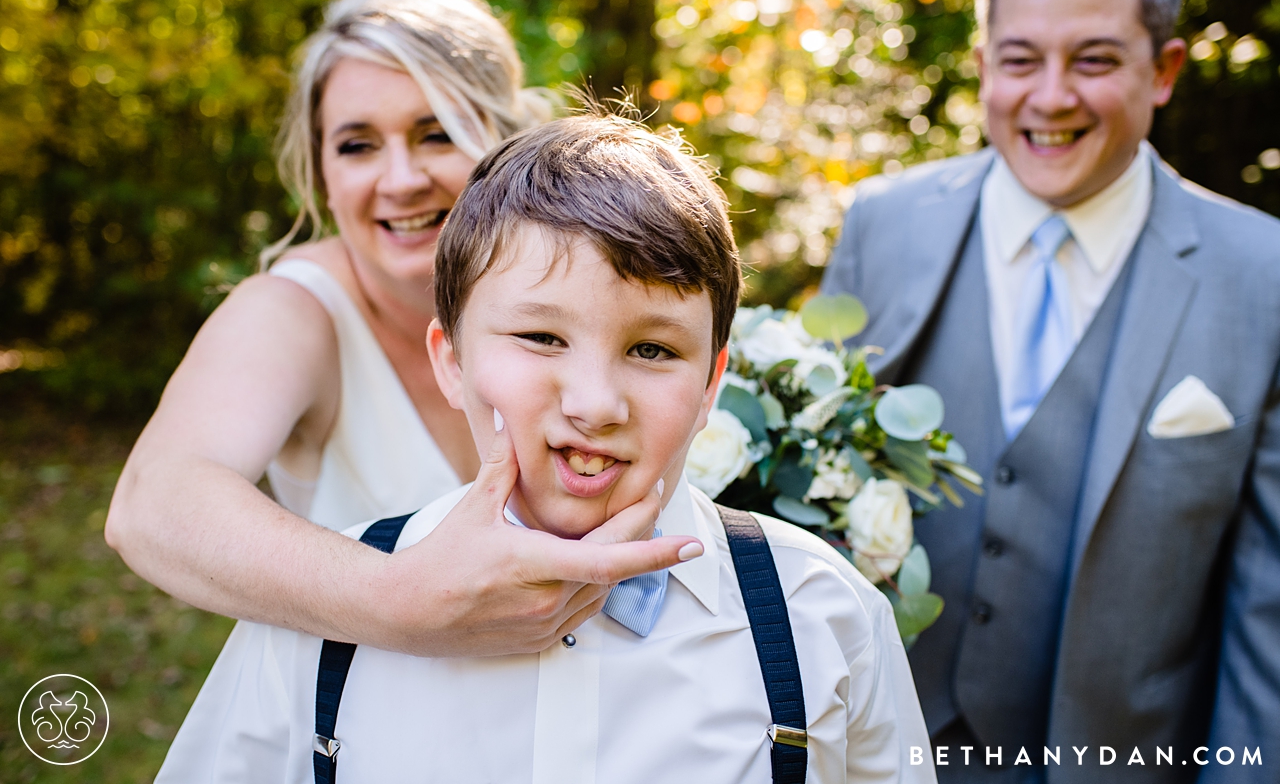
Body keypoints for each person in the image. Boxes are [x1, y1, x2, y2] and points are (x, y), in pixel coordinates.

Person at [154, 112, 935, 783]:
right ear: (451, 362)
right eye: (540, 336)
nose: (595, 402)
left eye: (653, 350)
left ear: (710, 385)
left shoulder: (822, 620)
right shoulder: (314, 629)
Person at [104, 0, 703, 660]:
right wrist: (399, 595)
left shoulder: (616, 308)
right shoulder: (294, 310)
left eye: (436, 133)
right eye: (357, 145)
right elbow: (154, 504)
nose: (400, 180)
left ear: (503, 138)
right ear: (321, 169)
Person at [822, 0, 1280, 779]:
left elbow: (1270, 621)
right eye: (1020, 59)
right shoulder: (881, 227)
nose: (1051, 97)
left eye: (1095, 60)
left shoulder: (1263, 278)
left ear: (1166, 68)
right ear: (985, 63)